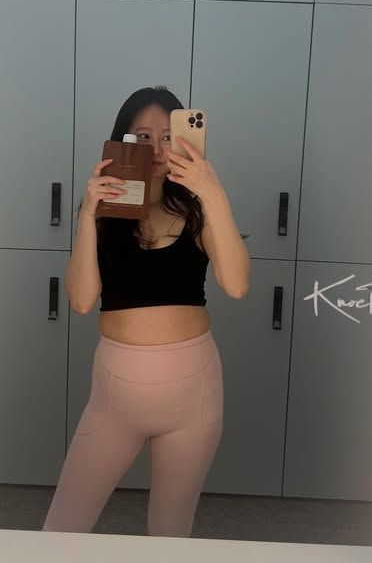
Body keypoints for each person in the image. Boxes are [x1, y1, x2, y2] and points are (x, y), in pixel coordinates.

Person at [41, 86, 251, 537]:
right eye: (143, 136)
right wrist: (87, 214)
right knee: (63, 527)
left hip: (192, 400)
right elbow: (82, 300)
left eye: (167, 135)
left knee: (170, 533)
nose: (157, 148)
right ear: (122, 140)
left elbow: (237, 285)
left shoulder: (198, 210)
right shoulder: (104, 213)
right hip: (114, 402)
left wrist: (212, 191)